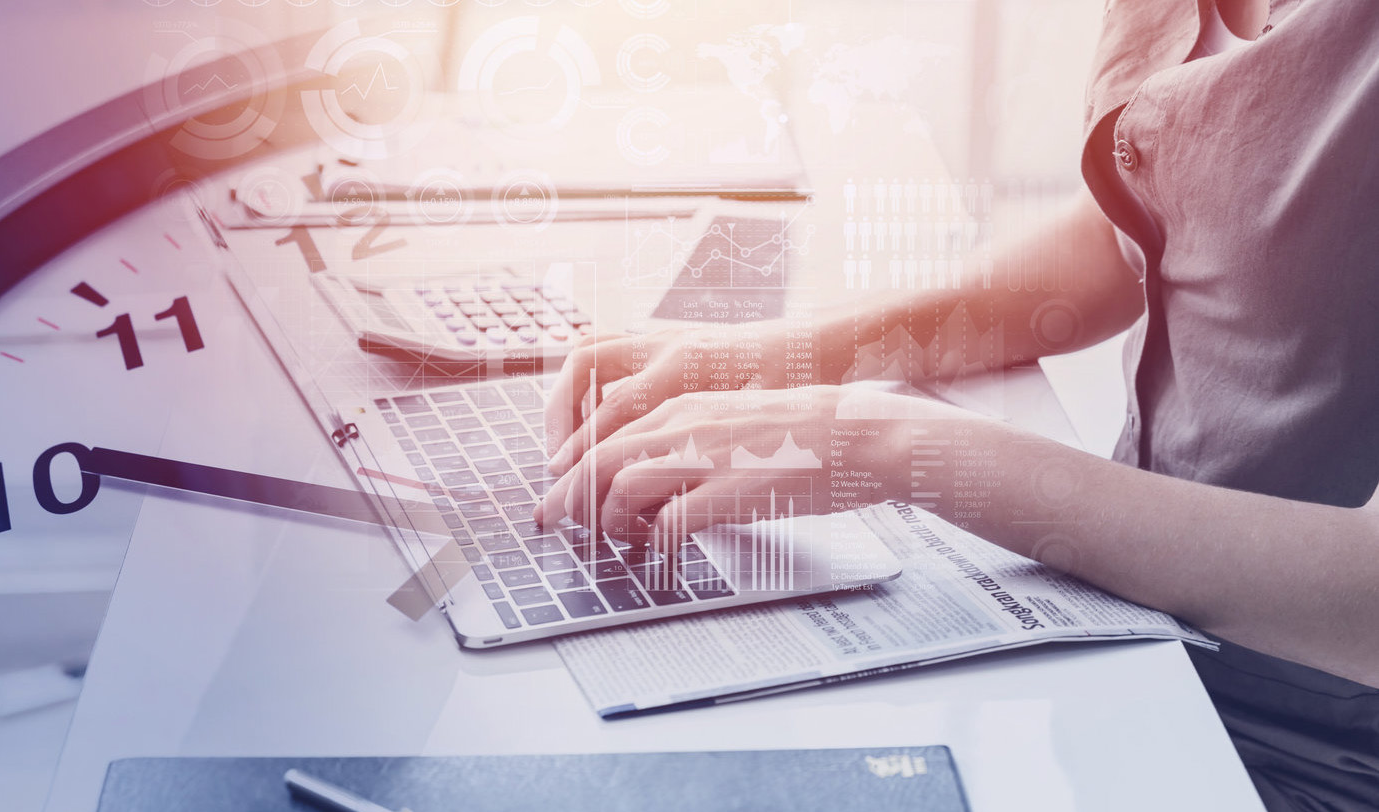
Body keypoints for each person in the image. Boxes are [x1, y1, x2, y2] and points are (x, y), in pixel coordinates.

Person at [536, 0, 1379, 808]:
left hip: (1301, 752)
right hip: (1130, 635)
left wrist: (894, 445)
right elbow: (1136, 233)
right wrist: (777, 358)